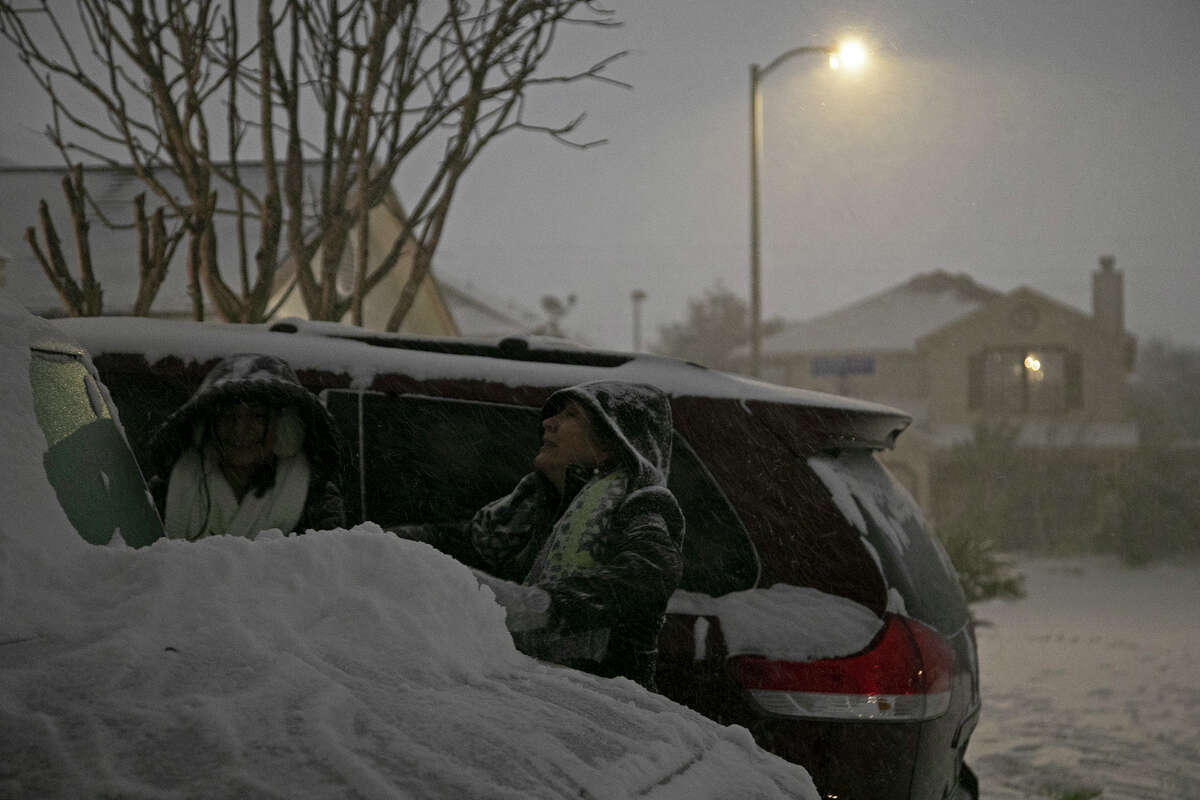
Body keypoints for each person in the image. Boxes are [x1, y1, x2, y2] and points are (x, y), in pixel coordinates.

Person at [452, 380, 685, 690]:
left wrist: (543, 605)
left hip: (606, 709)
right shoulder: (535, 508)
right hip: (535, 693)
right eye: (554, 415)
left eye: (571, 415)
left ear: (611, 443)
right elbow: (456, 541)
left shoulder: (644, 504)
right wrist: (384, 543)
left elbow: (647, 574)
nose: (548, 422)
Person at [148, 353, 345, 540]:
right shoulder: (163, 495)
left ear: (286, 428)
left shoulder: (317, 502)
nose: (240, 429)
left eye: (258, 416)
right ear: (206, 427)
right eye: (228, 416)